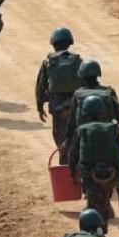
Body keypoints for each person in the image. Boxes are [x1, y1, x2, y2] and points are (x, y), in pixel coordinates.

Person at [68, 96, 119, 233]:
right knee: (104, 203)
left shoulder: (81, 130)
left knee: (94, 204)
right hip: (111, 175)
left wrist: (72, 175)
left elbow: (72, 155)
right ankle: (101, 234)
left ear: (85, 112)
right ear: (102, 111)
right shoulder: (113, 129)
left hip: (89, 175)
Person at [36, 27, 83, 164]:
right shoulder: (78, 61)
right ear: (69, 43)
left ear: (53, 44)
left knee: (61, 141)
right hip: (76, 107)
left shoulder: (48, 62)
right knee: (79, 138)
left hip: (58, 108)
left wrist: (40, 106)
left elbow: (40, 86)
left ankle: (64, 168)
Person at [63, 60, 119, 147]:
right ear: (97, 74)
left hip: (84, 136)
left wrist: (67, 140)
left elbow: (72, 121)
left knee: (71, 157)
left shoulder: (77, 94)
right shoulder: (109, 91)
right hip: (107, 134)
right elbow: (117, 116)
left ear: (82, 76)